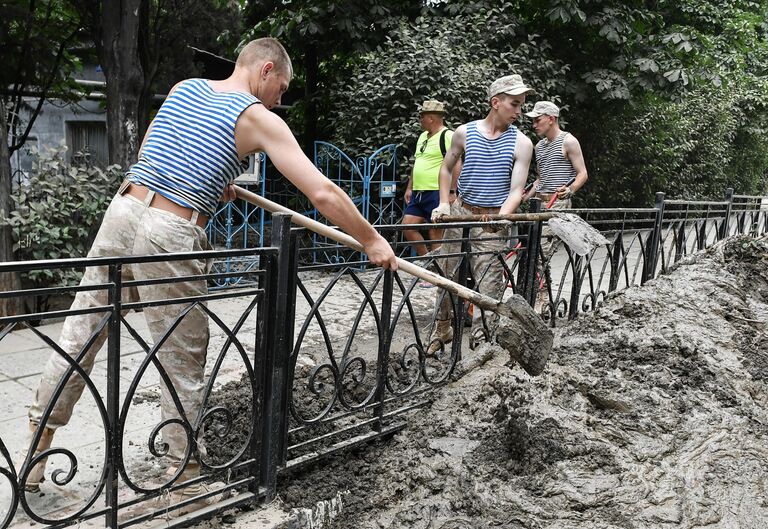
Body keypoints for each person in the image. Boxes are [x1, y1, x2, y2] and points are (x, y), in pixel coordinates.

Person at [19, 37, 397, 507]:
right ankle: (186, 477)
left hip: (124, 209)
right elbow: (322, 193)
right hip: (169, 233)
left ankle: (34, 458)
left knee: (81, 334)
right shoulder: (257, 117)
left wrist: (215, 182)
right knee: (182, 357)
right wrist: (372, 239)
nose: (280, 98)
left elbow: (157, 152)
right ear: (265, 69)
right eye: (281, 86)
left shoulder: (185, 88)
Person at [428, 74, 535, 354]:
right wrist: (443, 203)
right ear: (495, 102)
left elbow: (516, 189)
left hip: (493, 219)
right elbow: (445, 167)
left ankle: (481, 343)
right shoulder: (464, 133)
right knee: (446, 273)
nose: (519, 111)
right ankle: (443, 329)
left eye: (522, 105)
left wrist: (502, 217)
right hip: (461, 212)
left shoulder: (522, 144)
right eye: (514, 104)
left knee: (489, 284)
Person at [522, 101, 588, 313]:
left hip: (557, 203)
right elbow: (540, 179)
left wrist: (570, 190)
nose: (534, 124)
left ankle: (541, 299)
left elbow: (582, 173)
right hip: (539, 203)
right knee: (533, 250)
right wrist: (525, 195)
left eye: (537, 119)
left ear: (551, 118)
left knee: (541, 250)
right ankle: (540, 293)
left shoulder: (568, 141)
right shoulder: (539, 146)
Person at [402, 100, 455, 259]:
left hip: (437, 191)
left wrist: (452, 191)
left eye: (421, 116)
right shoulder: (422, 137)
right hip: (419, 192)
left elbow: (457, 163)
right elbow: (417, 161)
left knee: (435, 231)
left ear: (431, 118)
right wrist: (410, 187)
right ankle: (427, 262)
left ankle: (438, 272)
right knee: (407, 227)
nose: (420, 120)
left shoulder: (448, 136)